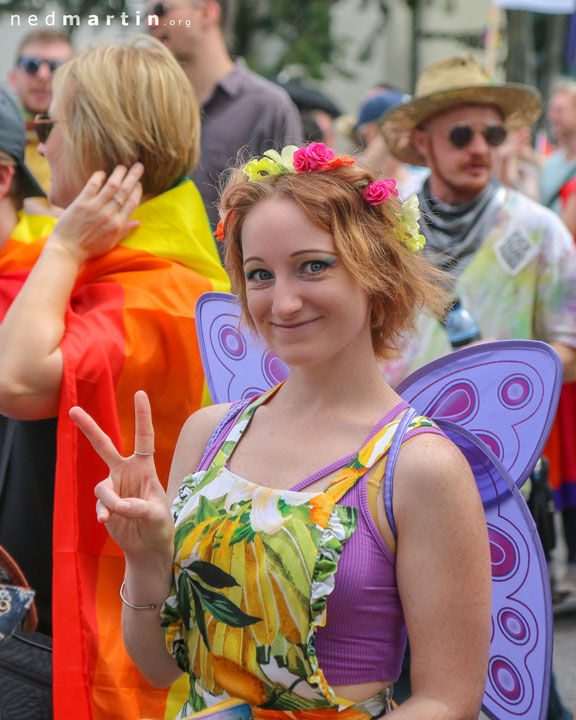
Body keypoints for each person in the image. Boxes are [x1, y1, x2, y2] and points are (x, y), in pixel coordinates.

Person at [71, 142, 492, 720]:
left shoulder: (420, 467)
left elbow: (449, 698)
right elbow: (160, 666)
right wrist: (145, 560)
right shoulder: (207, 436)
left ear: (377, 273)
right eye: (260, 274)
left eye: (313, 266)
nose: (284, 302)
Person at [0, 37, 229, 720]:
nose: (43, 147)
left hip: (123, 624)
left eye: (51, 126)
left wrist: (65, 244)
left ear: (99, 139)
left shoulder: (162, 286)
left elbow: (15, 380)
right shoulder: (129, 264)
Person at [380, 55, 576, 719]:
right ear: (425, 141)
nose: (480, 149)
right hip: (389, 482)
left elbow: (572, 345)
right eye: (461, 135)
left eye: (492, 136)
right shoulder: (384, 228)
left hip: (505, 486)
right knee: (405, 668)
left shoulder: (537, 228)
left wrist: (513, 366)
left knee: (520, 678)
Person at [146, 0, 302, 238]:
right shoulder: (151, 106)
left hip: (233, 273)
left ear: (207, 12)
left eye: (160, 10)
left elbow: (292, 211)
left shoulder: (268, 106)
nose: (150, 22)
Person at [7, 29, 74, 196]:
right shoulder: (3, 142)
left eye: (56, 67)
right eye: (31, 65)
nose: (43, 75)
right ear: (13, 78)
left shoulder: (90, 148)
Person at [353, 89, 427, 199]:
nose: (415, 134)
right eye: (402, 126)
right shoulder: (349, 173)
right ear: (372, 132)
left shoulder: (423, 181)